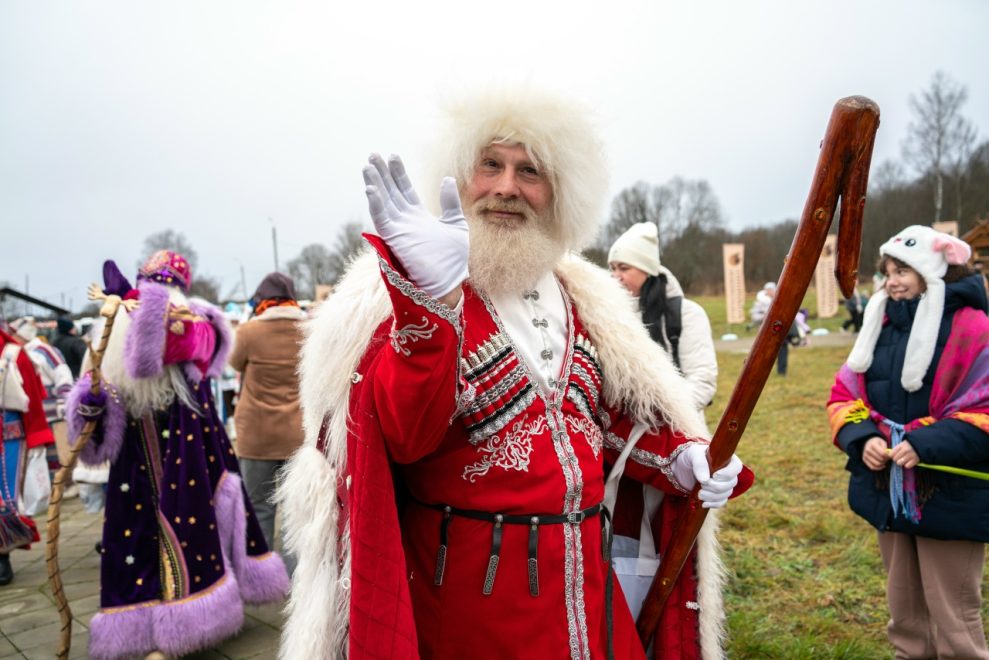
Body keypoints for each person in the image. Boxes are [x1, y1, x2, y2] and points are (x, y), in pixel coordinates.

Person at [277, 87, 753, 659]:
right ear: (458, 175)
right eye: (490, 165)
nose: (507, 187)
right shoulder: (402, 299)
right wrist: (431, 302)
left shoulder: (584, 297)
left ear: (560, 190)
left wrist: (680, 456)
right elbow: (401, 438)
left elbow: (600, 419)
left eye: (530, 170)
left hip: (588, 594)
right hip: (470, 608)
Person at [64, 252, 289, 659]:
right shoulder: (111, 333)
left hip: (188, 456)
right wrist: (91, 405)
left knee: (193, 532)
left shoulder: (196, 326)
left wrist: (141, 304)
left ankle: (192, 623)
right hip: (135, 460)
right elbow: (100, 404)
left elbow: (161, 352)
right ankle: (142, 628)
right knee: (135, 539)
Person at [827, 225, 989, 658]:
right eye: (888, 272)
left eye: (903, 271)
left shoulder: (973, 327)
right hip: (890, 486)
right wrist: (862, 438)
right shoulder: (880, 325)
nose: (892, 281)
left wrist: (926, 443)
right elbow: (844, 394)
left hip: (950, 488)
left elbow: (985, 406)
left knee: (954, 615)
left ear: (930, 271)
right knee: (905, 611)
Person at [228, 272, 305, 575]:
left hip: (256, 434)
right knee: (295, 511)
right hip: (298, 434)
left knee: (259, 506)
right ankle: (295, 576)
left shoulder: (248, 332)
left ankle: (260, 576)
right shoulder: (308, 329)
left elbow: (233, 363)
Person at [609, 221, 717, 411]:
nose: (616, 276)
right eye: (612, 268)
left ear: (647, 270)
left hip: (676, 425)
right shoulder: (610, 316)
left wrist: (660, 417)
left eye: (624, 268)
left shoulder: (687, 314)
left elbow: (702, 379)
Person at [0, 326, 50, 585]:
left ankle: (2, 554)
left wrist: (37, 438)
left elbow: (32, 399)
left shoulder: (13, 354)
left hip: (8, 439)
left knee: (6, 498)